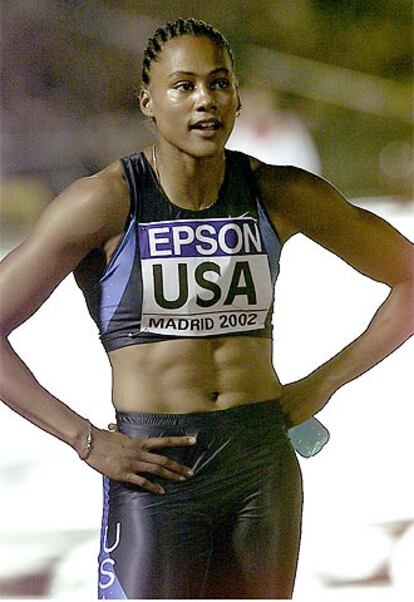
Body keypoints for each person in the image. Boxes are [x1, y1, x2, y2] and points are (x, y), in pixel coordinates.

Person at [0, 17, 412, 600]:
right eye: (183, 85)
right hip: (156, 468)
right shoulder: (105, 202)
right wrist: (84, 439)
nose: (205, 101)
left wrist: (323, 384)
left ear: (239, 96)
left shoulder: (278, 191)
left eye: (219, 83)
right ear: (147, 101)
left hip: (260, 462)